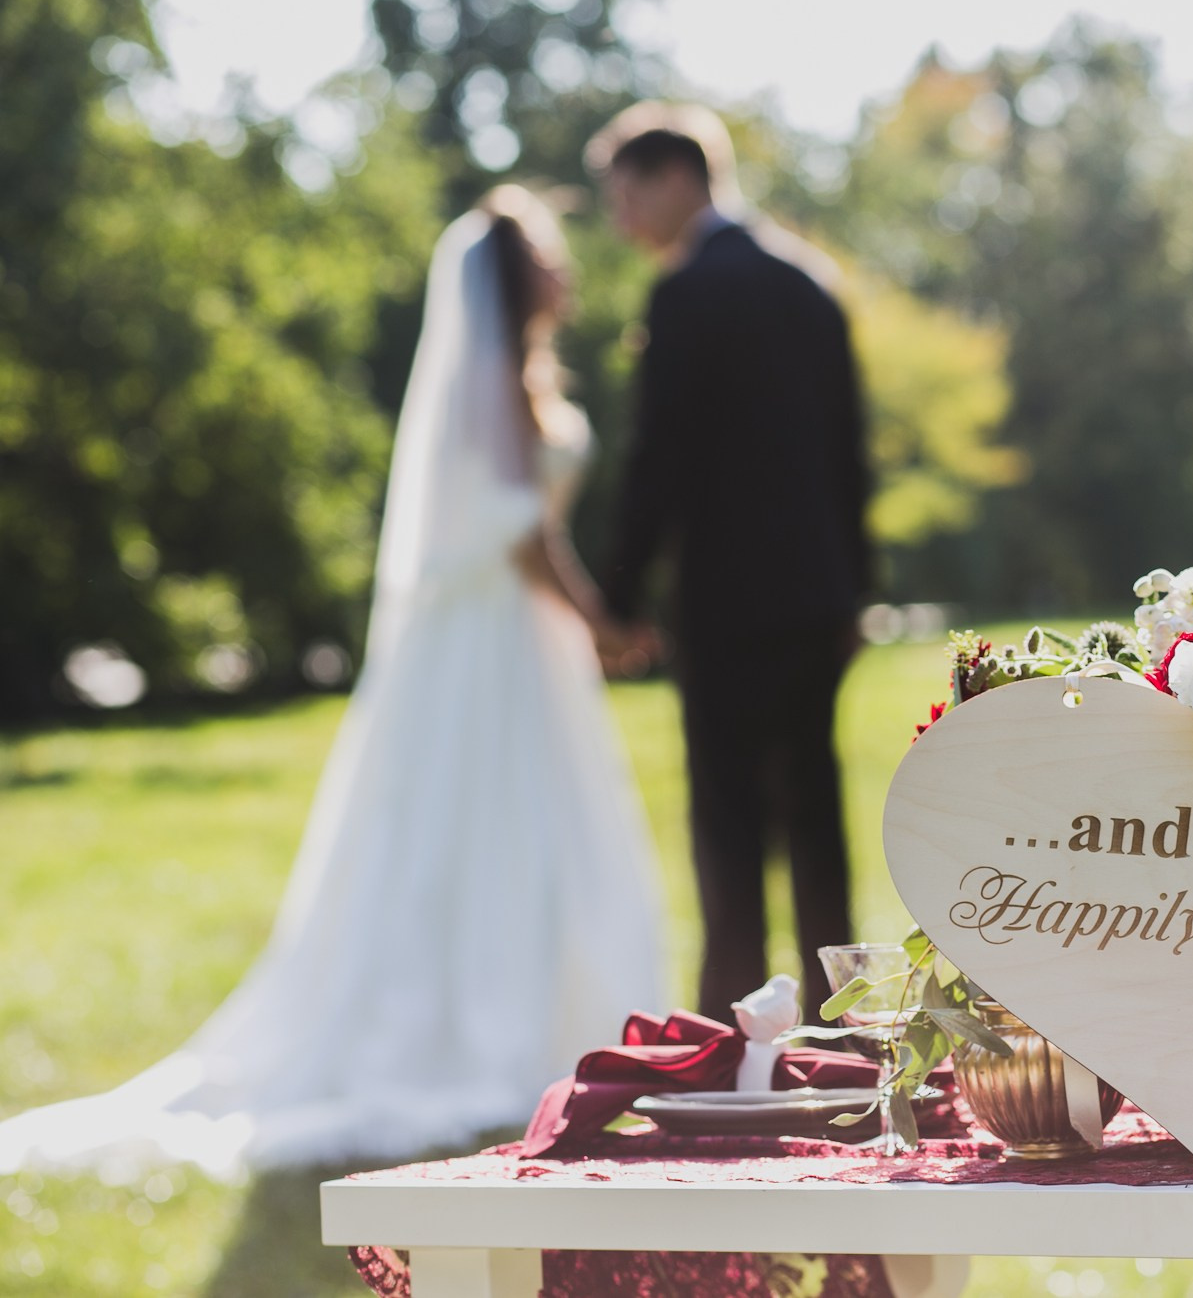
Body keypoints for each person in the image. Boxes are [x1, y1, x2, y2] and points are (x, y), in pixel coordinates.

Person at [0, 188, 665, 1178]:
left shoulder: (512, 380)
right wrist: (598, 620)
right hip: (495, 641)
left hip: (517, 643)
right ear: (520, 279)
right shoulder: (488, 389)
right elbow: (518, 530)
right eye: (552, 256)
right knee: (492, 823)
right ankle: (486, 1026)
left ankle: (541, 1015)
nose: (567, 269)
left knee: (527, 825)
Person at [590, 104, 871, 1020]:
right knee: (817, 821)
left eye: (625, 193)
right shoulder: (810, 282)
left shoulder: (685, 295)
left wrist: (620, 595)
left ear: (679, 177)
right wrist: (854, 593)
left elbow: (656, 460)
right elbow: (851, 457)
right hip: (816, 600)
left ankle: (737, 1032)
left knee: (728, 824)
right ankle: (849, 1027)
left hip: (722, 604)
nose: (619, 217)